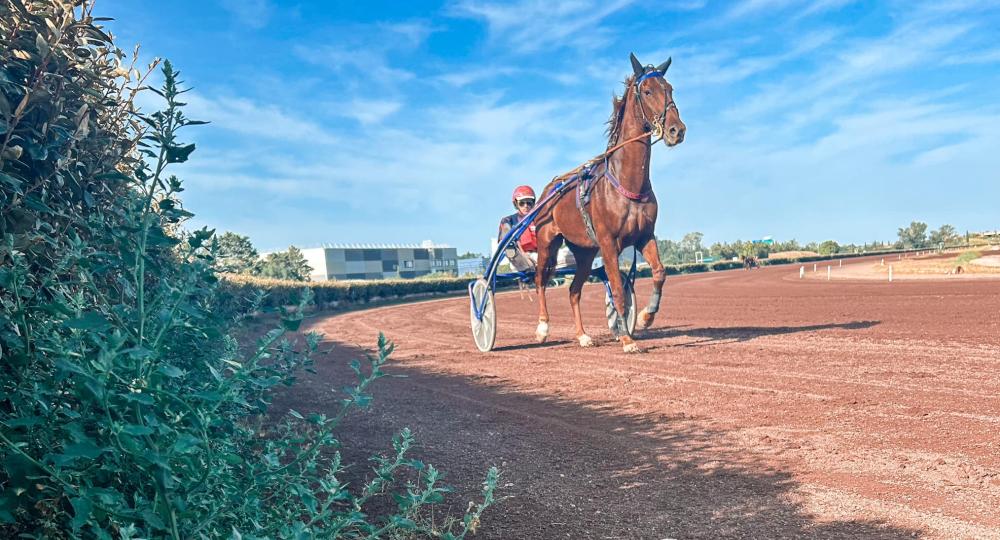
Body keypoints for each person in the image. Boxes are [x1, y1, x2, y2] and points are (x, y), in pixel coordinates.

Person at [497, 185, 538, 272]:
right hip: (520, 255)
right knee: (506, 232)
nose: (526, 206)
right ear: (516, 204)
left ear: (533, 204)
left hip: (541, 254)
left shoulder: (539, 219)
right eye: (522, 203)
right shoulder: (509, 220)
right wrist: (523, 254)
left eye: (529, 203)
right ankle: (512, 250)